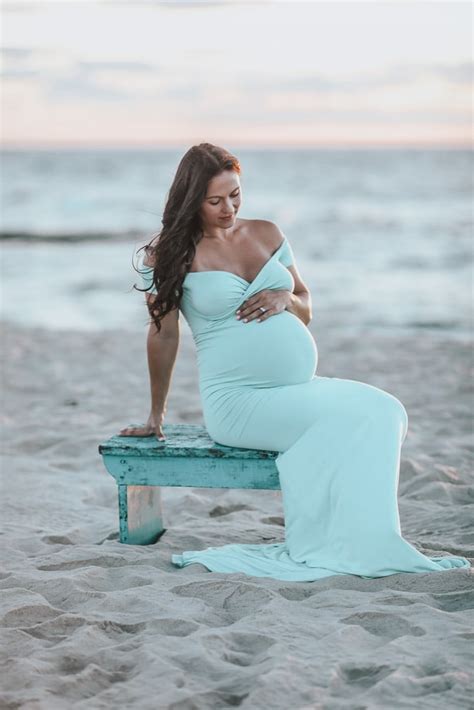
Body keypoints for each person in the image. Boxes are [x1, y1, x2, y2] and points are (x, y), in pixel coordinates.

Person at [118, 142, 470, 582]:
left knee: (387, 410)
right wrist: (156, 414)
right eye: (215, 201)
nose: (228, 208)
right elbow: (163, 335)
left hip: (296, 389)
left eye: (235, 195)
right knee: (357, 420)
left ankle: (362, 536)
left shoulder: (266, 233)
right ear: (192, 200)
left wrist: (286, 297)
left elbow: (305, 304)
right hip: (239, 402)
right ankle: (347, 543)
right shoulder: (171, 255)